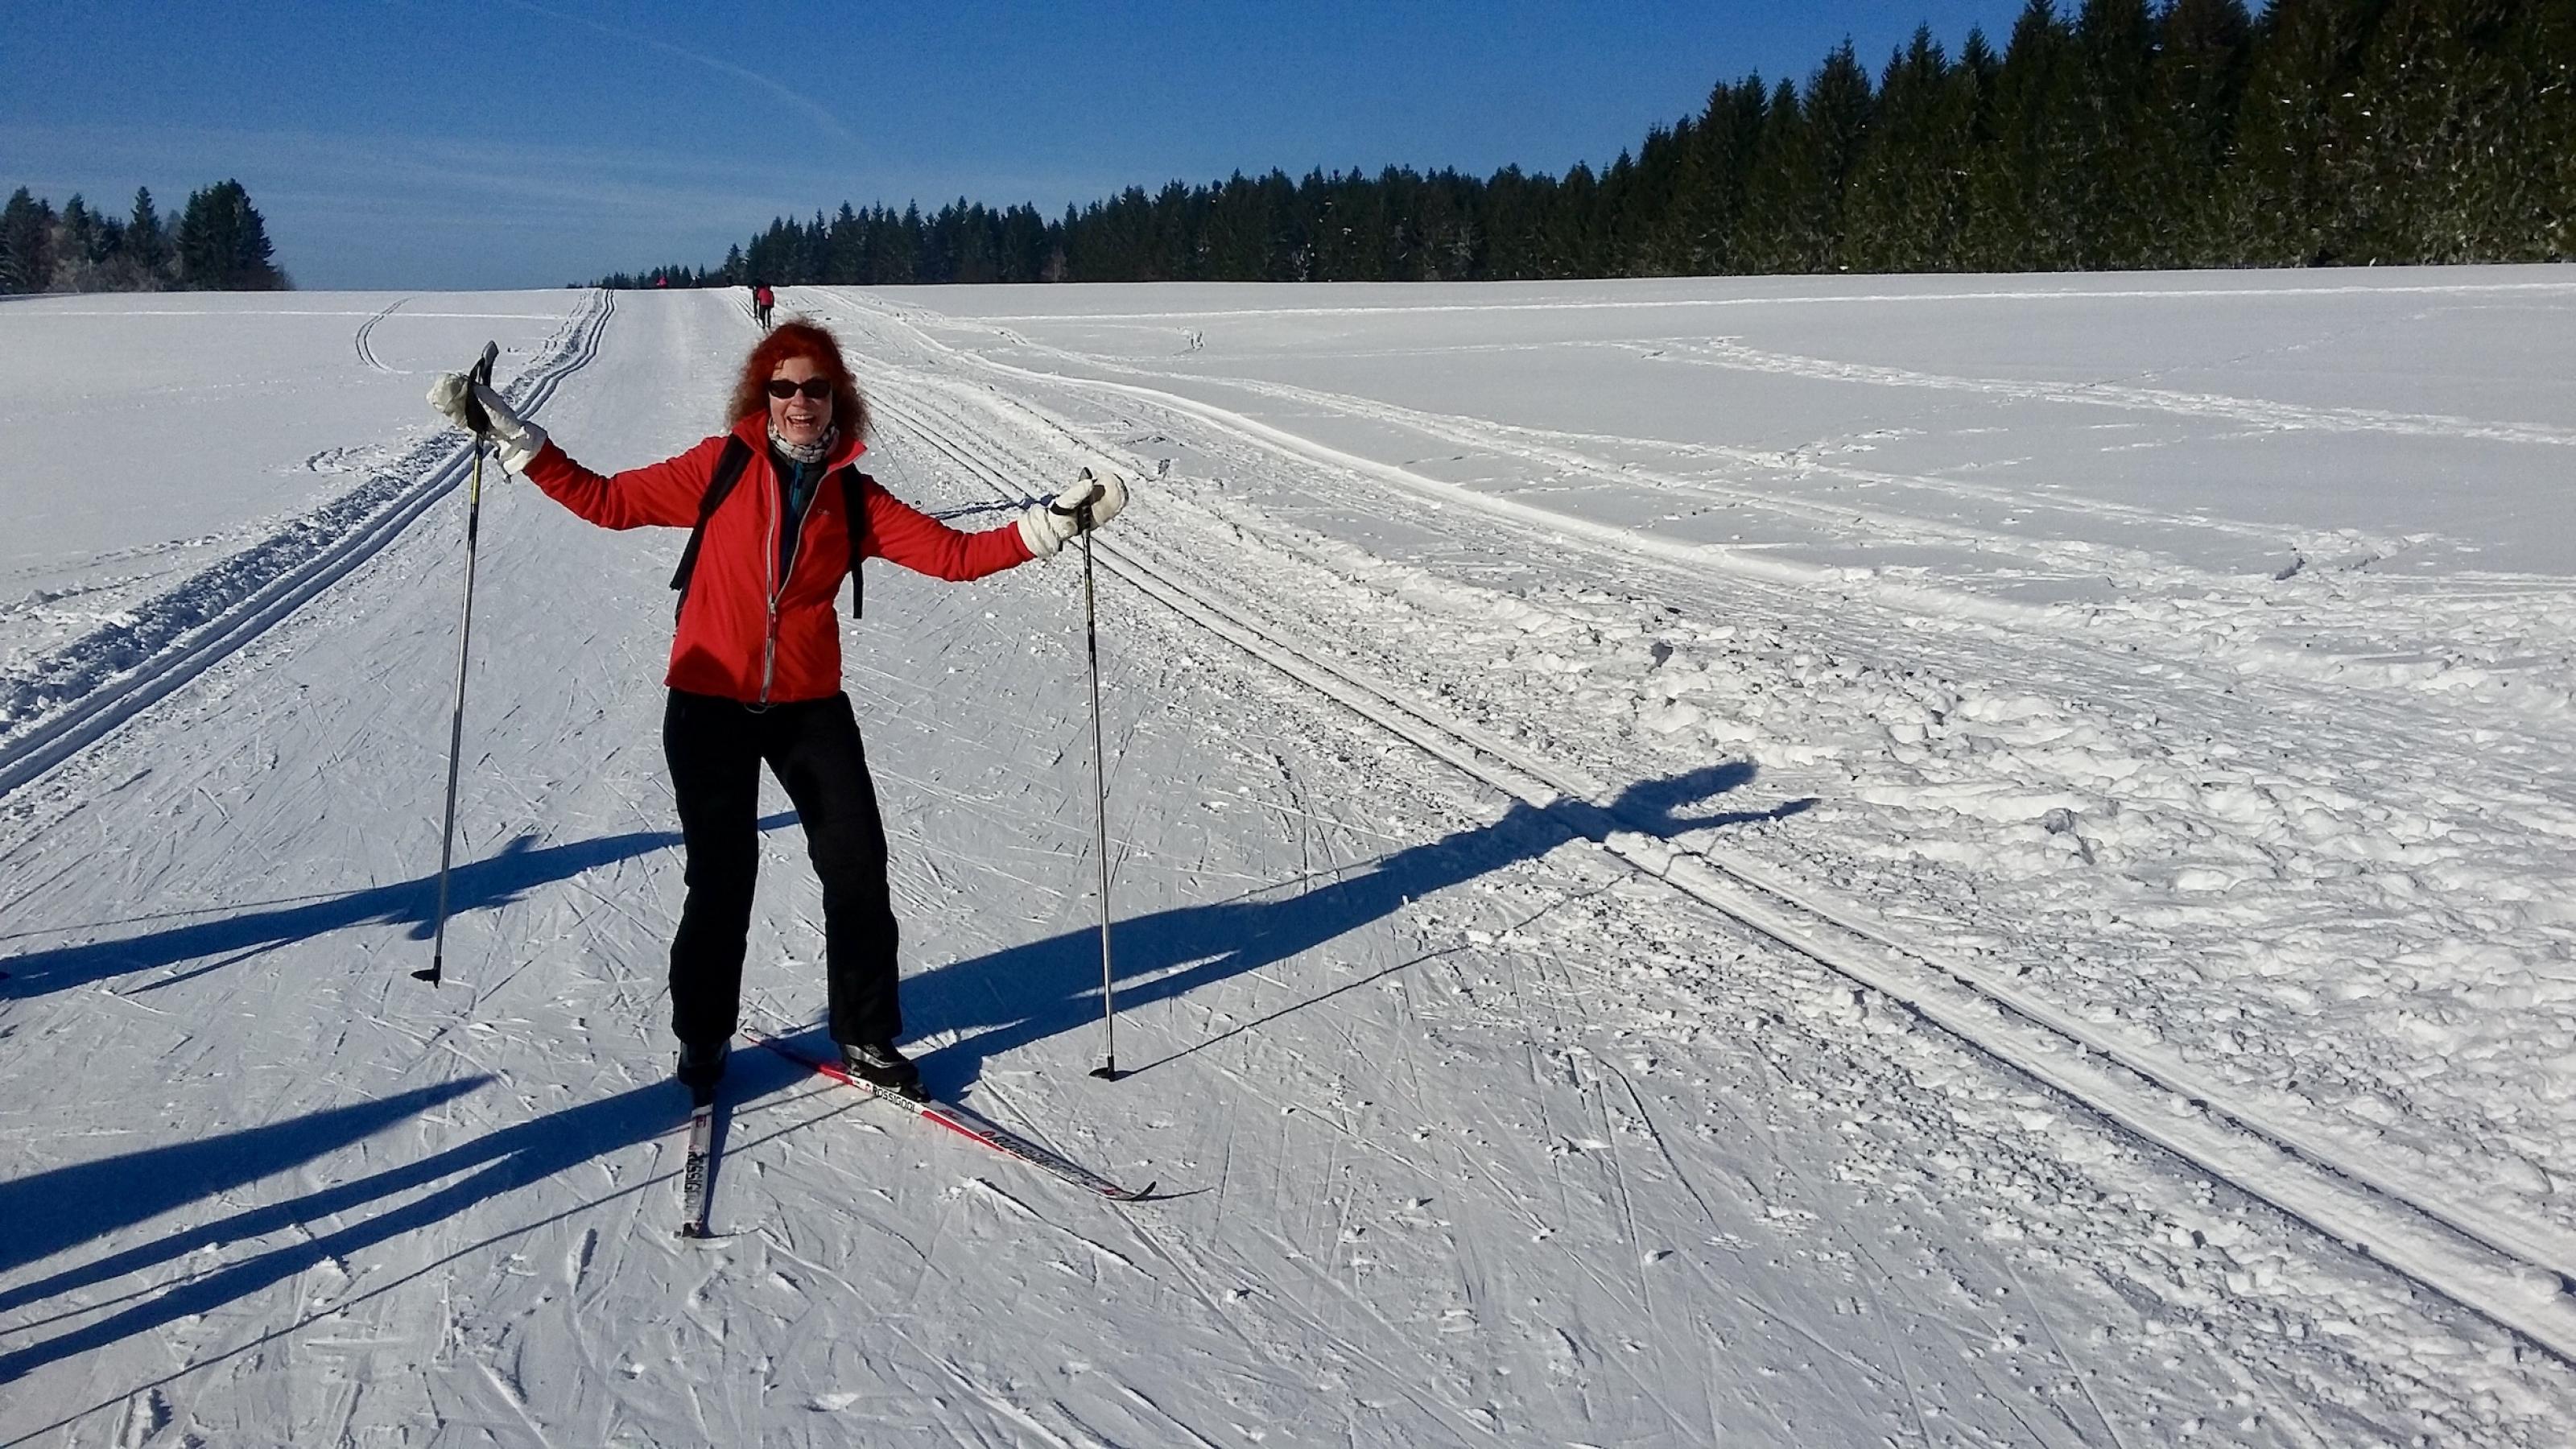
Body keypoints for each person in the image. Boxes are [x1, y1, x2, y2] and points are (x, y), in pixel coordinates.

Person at [426, 320, 1126, 1100]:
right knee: (723, 877)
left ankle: (864, 1032)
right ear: (761, 395)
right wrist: (518, 439)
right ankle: (702, 1038)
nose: (799, 402)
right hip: (708, 705)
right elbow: (608, 502)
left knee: (856, 867)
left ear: (838, 399)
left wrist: (1051, 525)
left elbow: (952, 557)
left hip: (808, 705)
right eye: (783, 387)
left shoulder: (853, 496)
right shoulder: (718, 467)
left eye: (815, 387)